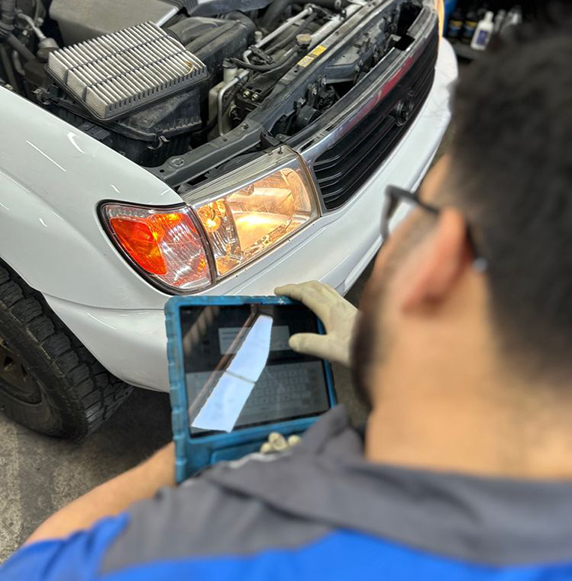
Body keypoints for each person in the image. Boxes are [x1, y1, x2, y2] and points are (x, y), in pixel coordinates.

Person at [4, 24, 572, 581]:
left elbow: (45, 559)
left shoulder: (207, 549)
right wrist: (401, 355)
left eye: (416, 208)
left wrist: (206, 457)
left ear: (439, 262)